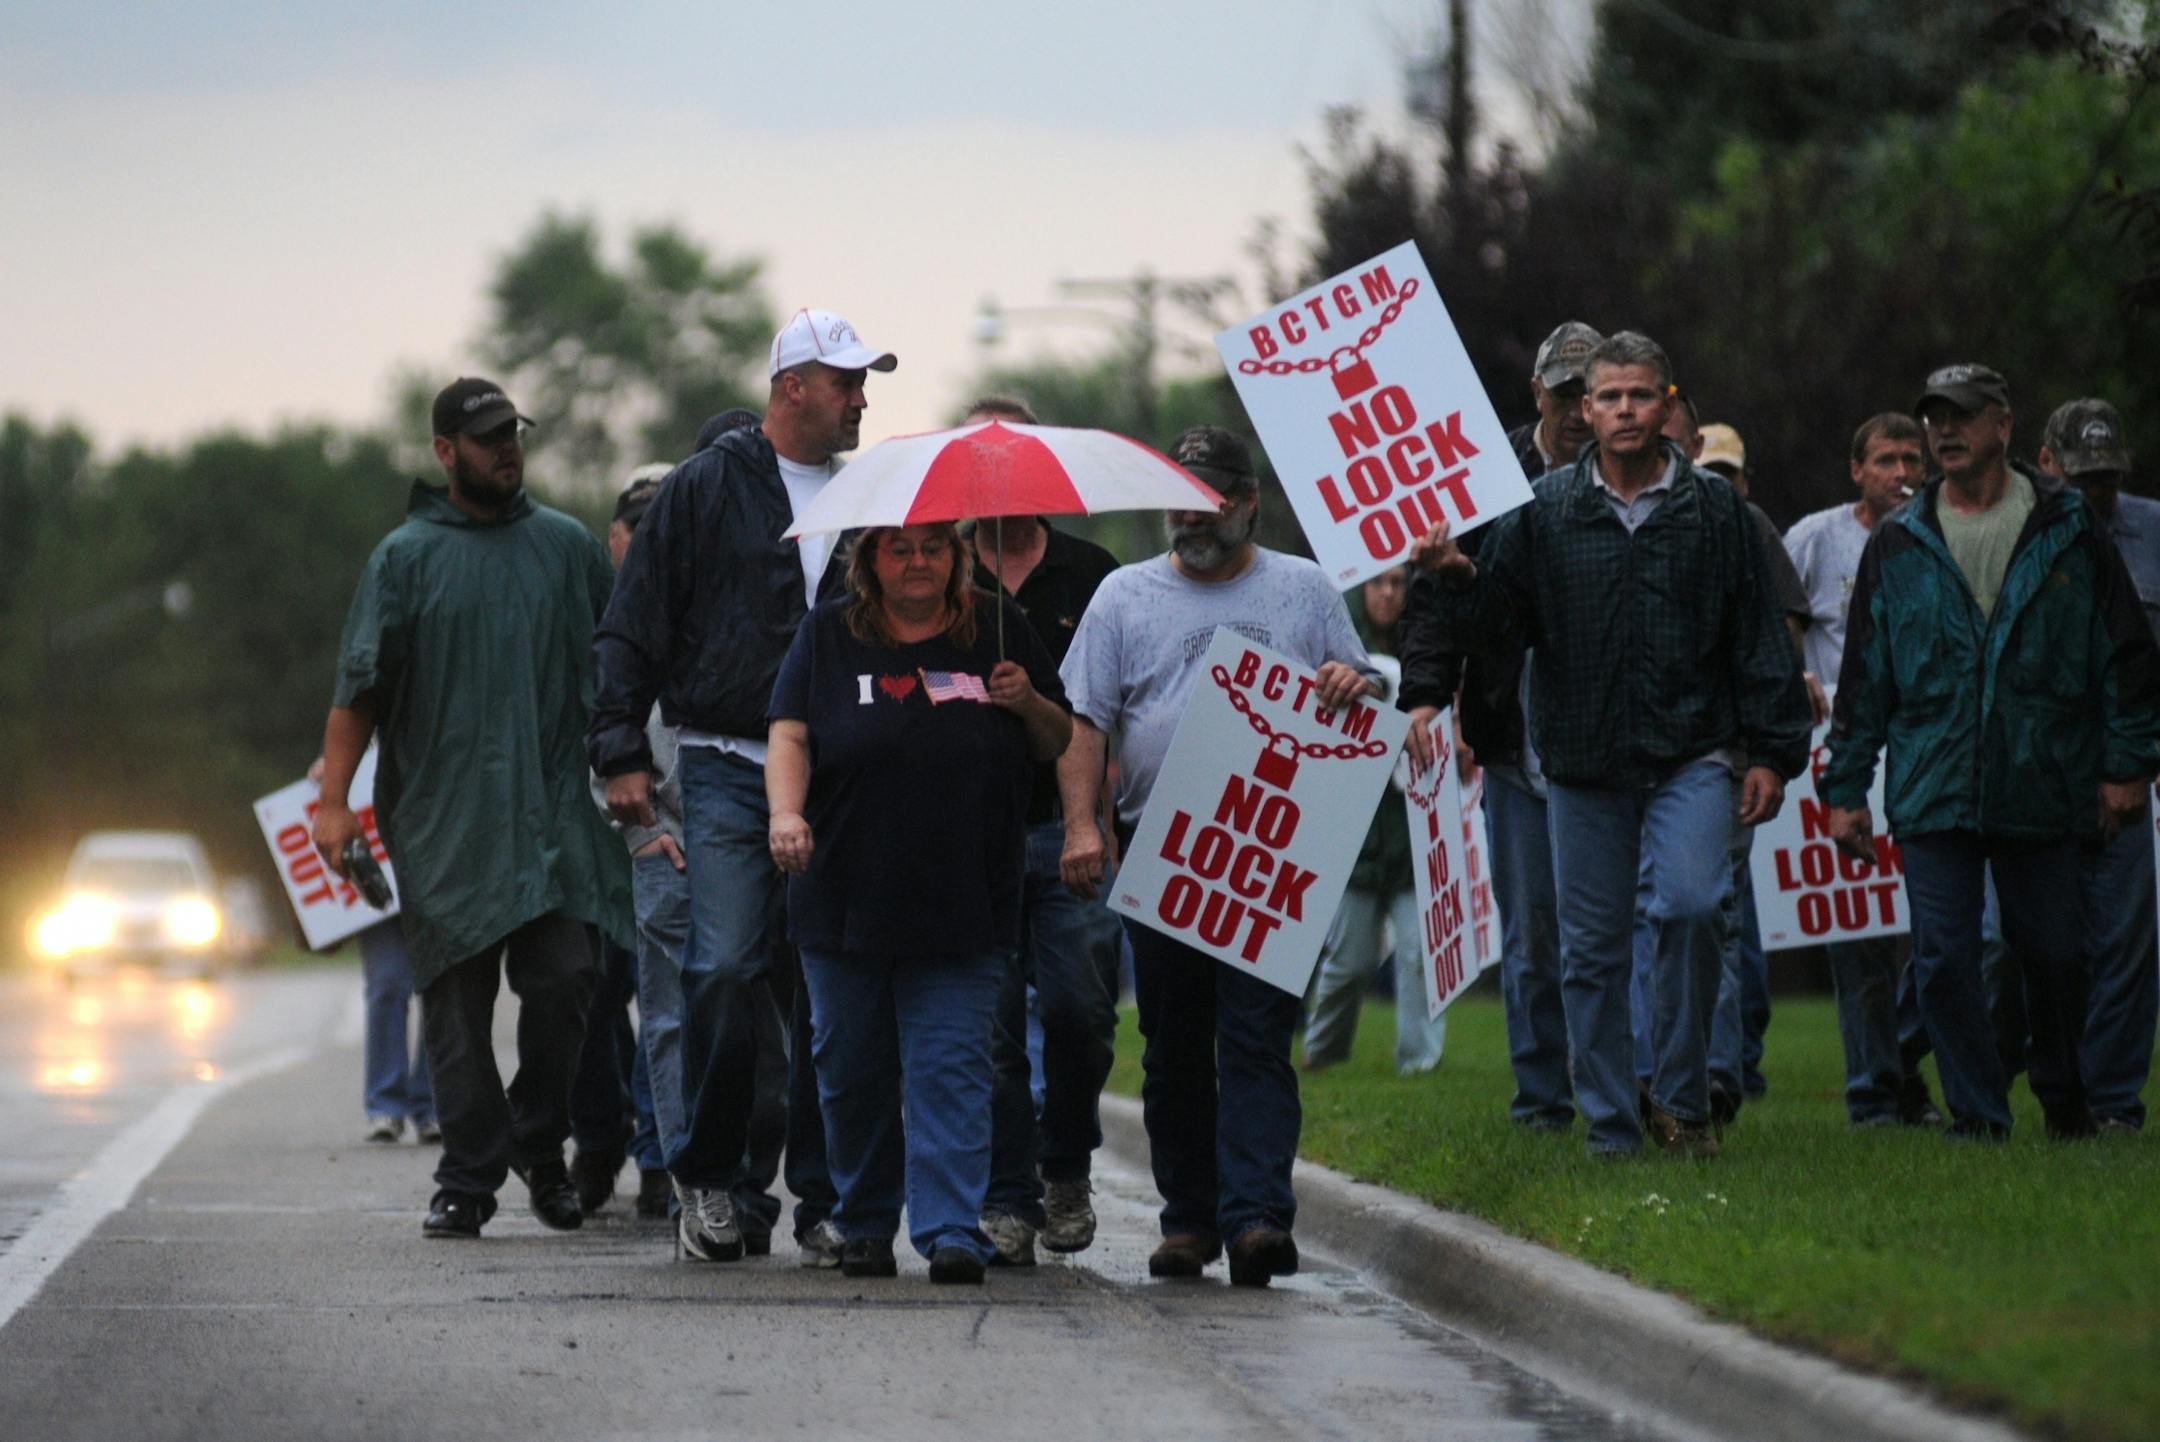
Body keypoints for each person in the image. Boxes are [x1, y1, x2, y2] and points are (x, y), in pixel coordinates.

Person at [1409, 333, 1811, 1158]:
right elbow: (1501, 629)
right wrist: (1456, 579)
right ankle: (1611, 1128)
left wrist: (1773, 751)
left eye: (1640, 396)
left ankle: (1683, 1101)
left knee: (1695, 909)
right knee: (1587, 952)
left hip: (1691, 753)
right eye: (1609, 398)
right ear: (1584, 410)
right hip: (1583, 761)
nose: (1625, 411)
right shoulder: (1545, 510)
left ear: (1668, 405)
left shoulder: (1716, 511)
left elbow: (1758, 639)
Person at [590, 311, 893, 1264]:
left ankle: (822, 1202)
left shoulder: (866, 500)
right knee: (721, 970)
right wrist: (618, 752)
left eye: (864, 382)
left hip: (841, 777)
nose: (861, 399)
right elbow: (631, 624)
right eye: (846, 382)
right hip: (723, 764)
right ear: (792, 385)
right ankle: (712, 1181)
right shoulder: (702, 488)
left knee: (827, 995)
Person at [313, 377, 633, 1238]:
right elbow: (360, 686)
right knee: (454, 1010)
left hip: (552, 817)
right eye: (487, 438)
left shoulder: (566, 547)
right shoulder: (405, 557)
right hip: (442, 818)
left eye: (513, 435)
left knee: (570, 981)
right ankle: (468, 1177)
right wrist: (333, 803)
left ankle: (538, 1142)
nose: (507, 450)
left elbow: (619, 667)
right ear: (446, 452)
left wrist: (631, 766)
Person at [1060, 425, 1379, 1286]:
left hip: (1270, 859)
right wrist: (1083, 827)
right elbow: (1085, 723)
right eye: (1177, 502)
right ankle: (1190, 1222)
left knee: (1255, 1038)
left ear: (1247, 504)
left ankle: (1257, 1220)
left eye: (1207, 504)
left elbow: (1360, 689)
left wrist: (1359, 683)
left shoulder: (1305, 589)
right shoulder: (1124, 597)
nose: (1189, 520)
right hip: (1166, 861)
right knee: (1172, 1046)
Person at [1822, 364, 2160, 1140]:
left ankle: (2065, 1095)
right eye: (1935, 417)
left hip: (2043, 776)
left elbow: (2127, 658)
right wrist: (1845, 790)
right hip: (1934, 782)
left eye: (1963, 416)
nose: (1945, 431)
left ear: (2004, 427)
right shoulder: (1899, 541)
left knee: (2055, 954)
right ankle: (1978, 1114)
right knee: (1942, 960)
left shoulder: (2069, 527)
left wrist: (2124, 767)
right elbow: (1865, 678)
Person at [766, 520, 1071, 1284]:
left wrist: (1026, 697)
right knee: (850, 1067)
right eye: (899, 548)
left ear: (957, 556)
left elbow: (1056, 738)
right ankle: (864, 1221)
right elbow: (790, 734)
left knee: (953, 1068)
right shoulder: (827, 633)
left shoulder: (998, 628)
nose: (918, 561)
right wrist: (785, 813)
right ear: (869, 559)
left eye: (934, 547)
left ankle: (949, 1229)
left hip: (965, 892)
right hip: (843, 891)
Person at [1399, 320, 1600, 1132]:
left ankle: (1628, 1090)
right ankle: (1543, 1101)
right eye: (1566, 394)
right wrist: (1423, 695)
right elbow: (1433, 599)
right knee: (1532, 937)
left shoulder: (1640, 473)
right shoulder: (1481, 479)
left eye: (1595, 393)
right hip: (1514, 742)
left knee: (1613, 933)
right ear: (1537, 394)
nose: (1583, 411)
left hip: (1608, 747)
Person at [957, 397, 1125, 1269]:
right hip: (969, 839)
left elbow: (1106, 706)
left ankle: (1066, 1166)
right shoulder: (931, 569)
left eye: (1011, 456)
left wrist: (1085, 819)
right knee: (986, 1026)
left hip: (1067, 832)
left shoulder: (1094, 572)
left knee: (1078, 1008)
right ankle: (1006, 1195)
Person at [1642, 402, 1815, 1125]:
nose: (1712, 483)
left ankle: (1719, 1070)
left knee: (1714, 911)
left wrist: (1769, 742)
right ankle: (1663, 1071)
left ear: (1742, 483)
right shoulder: (1642, 522)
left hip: (1724, 752)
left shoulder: (1750, 530)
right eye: (1702, 470)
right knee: (1667, 914)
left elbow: (1784, 631)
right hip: (1653, 752)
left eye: (1724, 475)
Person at [1782, 413, 1941, 1128]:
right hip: (1843, 748)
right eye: (1885, 459)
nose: (1901, 471)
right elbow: (1774, 619)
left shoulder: (1942, 529)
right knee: (1863, 935)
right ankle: (1876, 1096)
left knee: (1944, 933)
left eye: (1913, 458)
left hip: (1930, 743)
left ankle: (1899, 1062)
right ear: (1857, 470)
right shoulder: (1817, 539)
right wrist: (1796, 677)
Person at [2037, 397, 2159, 1133]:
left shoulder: (2153, 531)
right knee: (2008, 945)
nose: (2096, 494)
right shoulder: (2020, 526)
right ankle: (2021, 1077)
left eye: (2107, 480)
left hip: (2133, 762)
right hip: (2039, 767)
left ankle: (2112, 1103)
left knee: (2125, 942)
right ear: (2046, 464)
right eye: (2082, 480)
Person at [1301, 566, 1446, 1075]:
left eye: (1399, 582)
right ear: (1361, 589)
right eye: (1378, 583)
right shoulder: (1334, 644)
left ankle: (1420, 1062)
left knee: (1419, 954)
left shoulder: (1430, 643)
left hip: (1414, 827)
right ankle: (1322, 1051)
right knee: (1349, 959)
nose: (1388, 593)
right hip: (1354, 829)